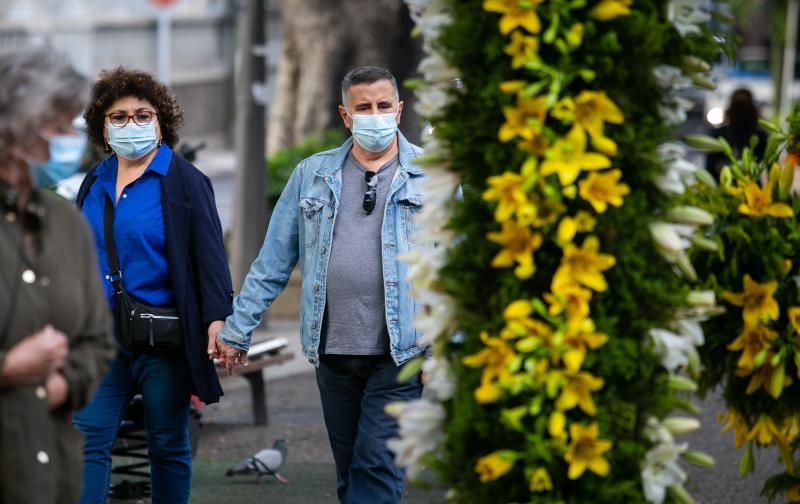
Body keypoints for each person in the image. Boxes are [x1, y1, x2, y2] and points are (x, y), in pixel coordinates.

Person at [213, 65, 426, 503]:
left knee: (375, 464)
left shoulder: (432, 176)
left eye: (384, 106)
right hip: (333, 354)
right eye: (363, 107)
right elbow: (272, 262)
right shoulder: (313, 174)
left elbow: (456, 268)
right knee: (352, 475)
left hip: (402, 355)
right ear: (346, 116)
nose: (375, 115)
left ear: (399, 110)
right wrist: (237, 331)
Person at [72, 67, 233, 504]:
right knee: (87, 441)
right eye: (119, 116)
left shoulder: (184, 182)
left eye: (142, 115)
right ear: (102, 127)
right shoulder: (95, 181)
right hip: (101, 339)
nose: (131, 124)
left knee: (167, 443)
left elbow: (211, 260)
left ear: (161, 122)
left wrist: (219, 321)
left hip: (164, 336)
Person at [0, 48, 115, 504]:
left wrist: (60, 383)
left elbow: (96, 340)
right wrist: (9, 371)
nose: (73, 139)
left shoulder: (66, 223)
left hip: (52, 473)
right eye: (60, 125)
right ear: (17, 126)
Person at [705, 87, 768, 178]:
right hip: (752, 187)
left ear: (730, 109)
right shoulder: (761, 135)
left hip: (723, 185)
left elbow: (709, 167)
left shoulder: (719, 134)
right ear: (753, 109)